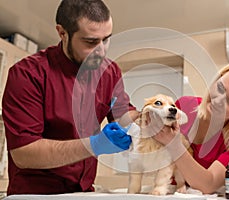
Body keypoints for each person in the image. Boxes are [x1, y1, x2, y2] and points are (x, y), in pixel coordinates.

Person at [2, 0, 138, 195]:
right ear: (62, 33)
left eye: (106, 39)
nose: (101, 51)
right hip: (35, 193)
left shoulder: (109, 72)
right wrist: (94, 144)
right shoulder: (28, 74)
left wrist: (150, 116)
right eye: (91, 42)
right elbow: (24, 153)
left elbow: (123, 115)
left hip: (83, 191)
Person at [152, 59, 229, 194]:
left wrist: (174, 145)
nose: (217, 100)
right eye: (220, 87)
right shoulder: (185, 106)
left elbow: (208, 185)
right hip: (168, 191)